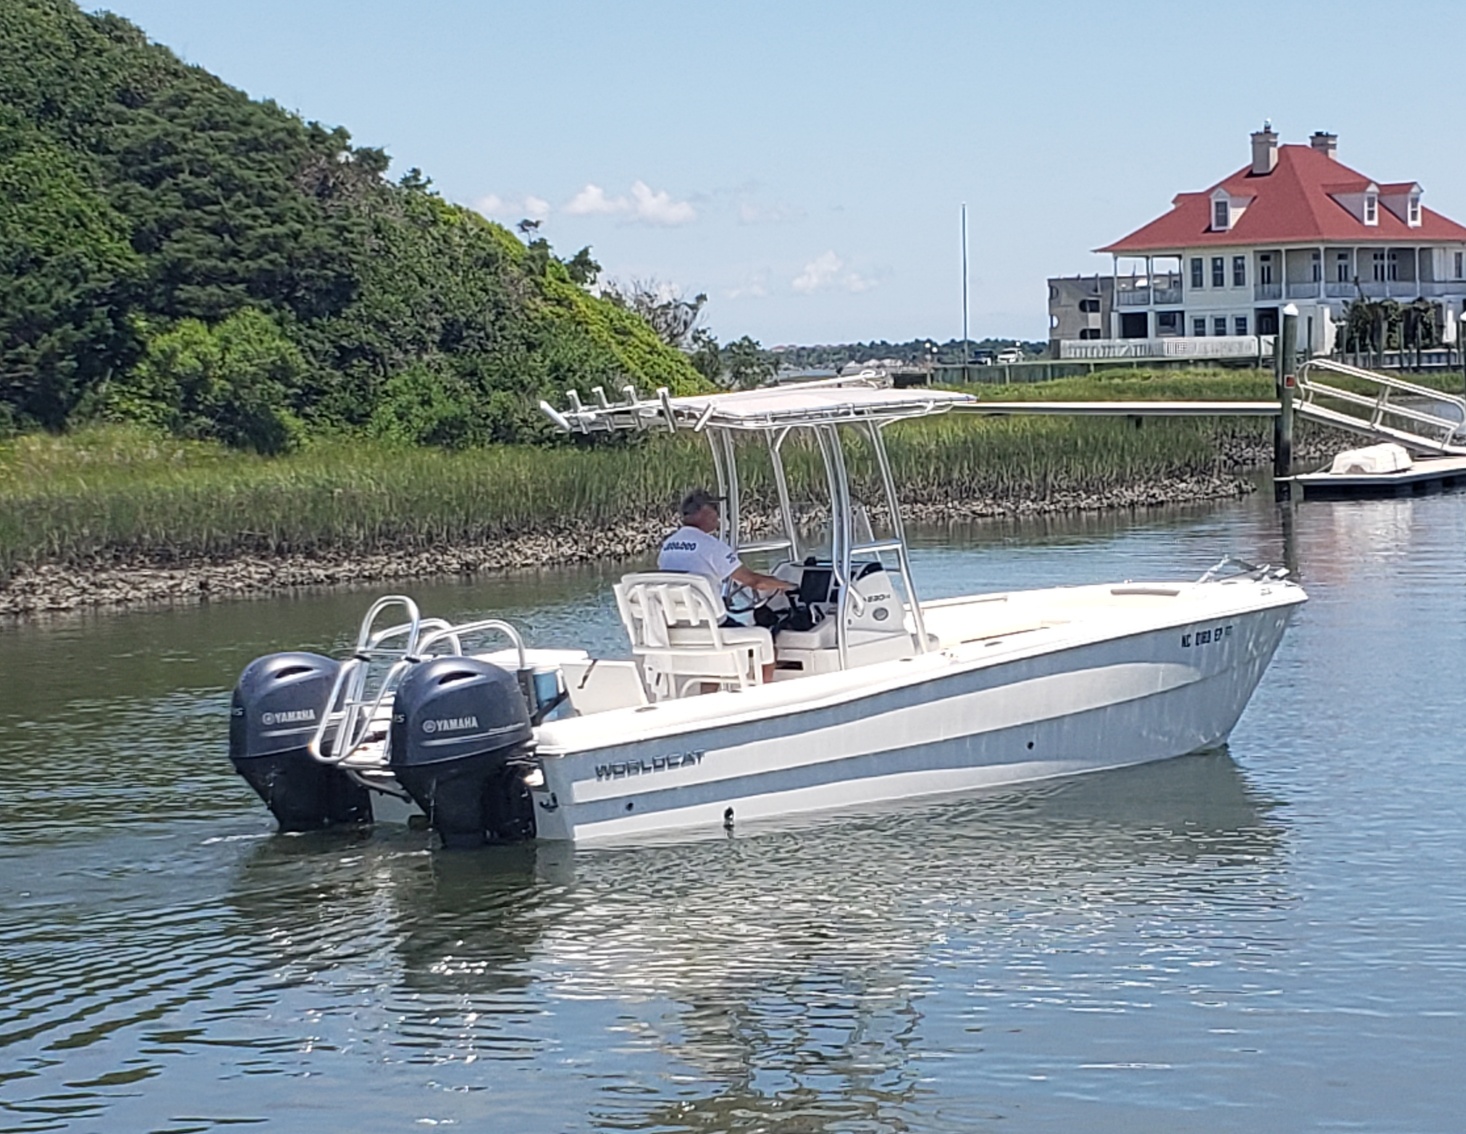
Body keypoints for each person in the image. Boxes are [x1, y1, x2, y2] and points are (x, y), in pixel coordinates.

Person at [657, 489, 793, 683]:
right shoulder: (711, 546)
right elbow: (755, 582)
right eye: (714, 509)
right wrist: (786, 585)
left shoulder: (668, 545)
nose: (718, 516)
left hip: (677, 627)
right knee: (767, 641)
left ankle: (708, 700)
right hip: (711, 629)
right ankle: (763, 695)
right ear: (702, 512)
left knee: (716, 655)